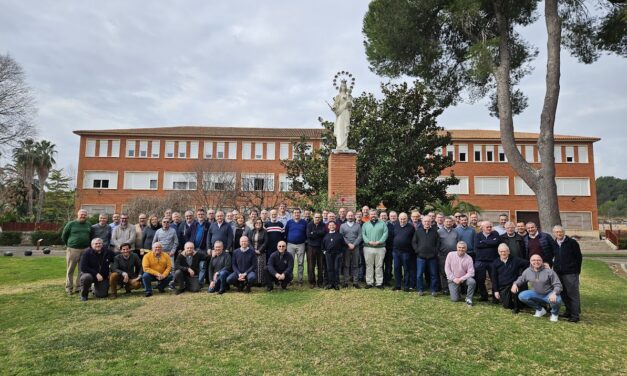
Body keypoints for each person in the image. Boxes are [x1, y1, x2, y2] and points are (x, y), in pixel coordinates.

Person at [512, 254, 563, 322]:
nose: (536, 262)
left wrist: (554, 293)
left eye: (538, 260)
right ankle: (540, 310)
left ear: (542, 261)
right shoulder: (527, 271)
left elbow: (558, 285)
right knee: (522, 296)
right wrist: (515, 284)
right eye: (534, 260)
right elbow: (521, 279)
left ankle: (554, 314)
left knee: (557, 300)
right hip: (536, 293)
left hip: (549, 294)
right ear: (530, 261)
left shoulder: (549, 271)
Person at [552, 225, 583, 323]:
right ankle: (568, 311)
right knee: (563, 293)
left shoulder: (572, 243)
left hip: (570, 273)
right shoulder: (554, 243)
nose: (559, 234)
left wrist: (576, 271)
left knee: (573, 294)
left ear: (564, 232)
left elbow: (579, 258)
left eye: (560, 232)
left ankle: (575, 315)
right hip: (558, 273)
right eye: (556, 232)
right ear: (554, 233)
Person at [491, 243, 529, 313]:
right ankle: (513, 303)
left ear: (508, 251)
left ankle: (518, 306)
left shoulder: (515, 259)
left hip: (514, 283)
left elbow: (527, 263)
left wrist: (522, 274)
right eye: (501, 251)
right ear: (498, 252)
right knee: (507, 306)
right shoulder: (495, 263)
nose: (503, 253)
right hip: (503, 286)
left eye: (505, 251)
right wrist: (496, 291)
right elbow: (494, 278)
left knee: (517, 290)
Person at [61, 209, 92, 295]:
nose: (83, 216)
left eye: (84, 215)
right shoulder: (71, 224)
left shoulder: (88, 225)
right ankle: (69, 287)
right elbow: (64, 235)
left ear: (87, 216)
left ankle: (79, 286)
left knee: (82, 269)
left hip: (85, 249)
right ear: (77, 215)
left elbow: (91, 235)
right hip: (73, 249)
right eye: (81, 214)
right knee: (70, 269)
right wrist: (69, 244)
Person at [412, 217, 440, 296]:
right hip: (421, 257)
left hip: (432, 257)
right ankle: (420, 289)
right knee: (419, 274)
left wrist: (435, 252)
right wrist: (417, 251)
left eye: (428, 221)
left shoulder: (435, 232)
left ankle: (433, 290)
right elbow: (414, 242)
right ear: (422, 222)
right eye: (425, 221)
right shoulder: (418, 231)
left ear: (431, 222)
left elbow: (438, 243)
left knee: (433, 274)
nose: (427, 223)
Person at [362, 209, 388, 289]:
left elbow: (385, 233)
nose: (373, 215)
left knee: (379, 266)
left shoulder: (383, 224)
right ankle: (369, 282)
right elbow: (363, 234)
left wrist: (379, 241)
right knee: (369, 265)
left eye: (374, 214)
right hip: (368, 247)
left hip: (380, 248)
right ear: (369, 215)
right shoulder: (365, 224)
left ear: (377, 215)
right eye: (371, 214)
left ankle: (379, 283)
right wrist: (368, 241)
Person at [474, 221, 500, 302]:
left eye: (490, 227)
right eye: (487, 227)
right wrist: (490, 243)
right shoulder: (478, 235)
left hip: (493, 260)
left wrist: (484, 241)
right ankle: (483, 296)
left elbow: (496, 242)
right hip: (480, 260)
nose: (489, 228)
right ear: (482, 228)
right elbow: (477, 245)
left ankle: (495, 297)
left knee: (494, 279)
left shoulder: (495, 234)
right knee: (480, 279)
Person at [444, 241, 476, 306]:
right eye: (459, 247)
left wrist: (461, 279)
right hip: (453, 279)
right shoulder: (450, 255)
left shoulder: (469, 258)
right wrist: (454, 279)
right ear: (456, 247)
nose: (461, 249)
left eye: (463, 248)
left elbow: (471, 272)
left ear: (466, 249)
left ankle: (468, 298)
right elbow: (447, 269)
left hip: (464, 279)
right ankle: (457, 293)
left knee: (472, 282)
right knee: (455, 299)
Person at [186, 209, 210, 285]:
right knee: (192, 265)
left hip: (203, 249)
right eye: (199, 214)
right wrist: (188, 243)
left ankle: (200, 283)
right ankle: (191, 282)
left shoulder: (208, 225)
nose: (200, 216)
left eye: (202, 214)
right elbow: (186, 234)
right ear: (197, 215)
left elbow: (210, 236)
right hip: (193, 250)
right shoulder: (194, 224)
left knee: (202, 266)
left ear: (205, 215)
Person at [392, 212, 415, 292]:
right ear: (399, 218)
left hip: (406, 252)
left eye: (404, 219)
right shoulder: (395, 226)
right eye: (401, 219)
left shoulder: (411, 227)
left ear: (407, 219)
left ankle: (406, 286)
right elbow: (393, 237)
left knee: (406, 269)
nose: (402, 220)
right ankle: (397, 285)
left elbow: (413, 240)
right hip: (396, 251)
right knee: (397, 268)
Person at [285, 208, 308, 285]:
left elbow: (306, 233)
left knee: (300, 263)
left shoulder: (304, 222)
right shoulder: (289, 222)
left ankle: (300, 280)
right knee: (290, 263)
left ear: (300, 214)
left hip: (301, 244)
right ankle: (289, 280)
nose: (296, 214)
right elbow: (286, 232)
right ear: (292, 214)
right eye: (295, 213)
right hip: (290, 245)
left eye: (298, 213)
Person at [340, 211, 362, 289]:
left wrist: (354, 244)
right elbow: (341, 236)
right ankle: (346, 281)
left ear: (354, 217)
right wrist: (348, 244)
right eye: (349, 215)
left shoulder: (358, 226)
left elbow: (360, 236)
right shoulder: (342, 226)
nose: (350, 217)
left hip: (356, 247)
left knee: (355, 264)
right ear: (346, 216)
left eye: (351, 215)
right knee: (346, 265)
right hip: (346, 248)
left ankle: (355, 282)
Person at [437, 216, 458, 295]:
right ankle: (445, 288)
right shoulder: (439, 231)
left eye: (450, 222)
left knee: (453, 271)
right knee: (443, 272)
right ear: (444, 222)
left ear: (452, 222)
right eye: (447, 222)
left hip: (454, 255)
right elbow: (437, 244)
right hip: (443, 255)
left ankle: (453, 288)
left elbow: (458, 241)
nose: (448, 223)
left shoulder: (456, 232)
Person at [322, 221, 345, 290]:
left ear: (335, 226)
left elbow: (343, 245)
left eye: (333, 225)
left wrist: (341, 253)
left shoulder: (339, 235)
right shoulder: (326, 236)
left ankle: (336, 283)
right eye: (330, 225)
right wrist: (325, 252)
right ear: (328, 227)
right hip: (328, 254)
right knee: (329, 269)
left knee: (336, 268)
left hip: (337, 254)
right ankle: (330, 283)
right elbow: (323, 246)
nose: (331, 226)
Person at [307, 211, 327, 288]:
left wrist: (314, 233)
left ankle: (320, 282)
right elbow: (309, 235)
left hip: (320, 247)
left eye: (319, 217)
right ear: (313, 217)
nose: (317, 218)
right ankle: (312, 282)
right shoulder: (309, 225)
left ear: (321, 218)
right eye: (316, 217)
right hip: (311, 247)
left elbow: (323, 234)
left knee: (320, 265)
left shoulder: (323, 225)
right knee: (311, 265)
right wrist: (318, 233)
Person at [332, 79, 352, 150]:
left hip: (346, 113)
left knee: (345, 128)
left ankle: (344, 145)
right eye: (342, 86)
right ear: (340, 87)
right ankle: (340, 145)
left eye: (345, 86)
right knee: (340, 128)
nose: (343, 87)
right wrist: (334, 108)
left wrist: (349, 102)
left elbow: (350, 105)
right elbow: (335, 105)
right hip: (340, 113)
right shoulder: (338, 96)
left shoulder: (348, 96)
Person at [250, 219, 268, 286]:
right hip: (252, 252)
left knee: (260, 267)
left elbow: (265, 242)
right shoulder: (252, 231)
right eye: (257, 223)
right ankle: (254, 281)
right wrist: (253, 250)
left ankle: (260, 282)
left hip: (261, 252)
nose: (258, 224)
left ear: (262, 224)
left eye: (260, 223)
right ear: (254, 224)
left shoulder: (265, 232)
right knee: (254, 266)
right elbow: (249, 242)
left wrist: (259, 250)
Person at [380, 211, 395, 286]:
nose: (383, 217)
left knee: (388, 265)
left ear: (387, 217)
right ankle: (381, 280)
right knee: (380, 265)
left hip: (389, 248)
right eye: (382, 216)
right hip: (380, 248)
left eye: (384, 216)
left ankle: (387, 280)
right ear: (379, 217)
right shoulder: (377, 225)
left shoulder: (391, 225)